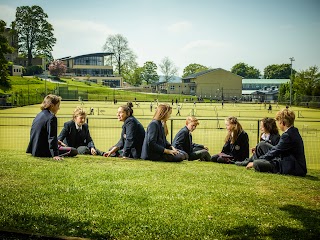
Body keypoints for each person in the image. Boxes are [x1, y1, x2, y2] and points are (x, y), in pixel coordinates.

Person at [247, 109, 307, 176]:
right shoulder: (293, 132)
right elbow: (276, 148)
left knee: (257, 163)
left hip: (292, 168)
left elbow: (276, 151)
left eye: (278, 122)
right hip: (290, 162)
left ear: (282, 123)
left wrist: (260, 160)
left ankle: (255, 162)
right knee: (262, 144)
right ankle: (256, 161)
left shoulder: (287, 136)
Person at [26, 94, 77, 160]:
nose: (59, 108)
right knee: (73, 150)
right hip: (43, 151)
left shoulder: (39, 115)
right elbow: (51, 137)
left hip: (34, 150)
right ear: (52, 106)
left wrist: (57, 142)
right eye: (58, 106)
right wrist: (55, 155)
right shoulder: (52, 118)